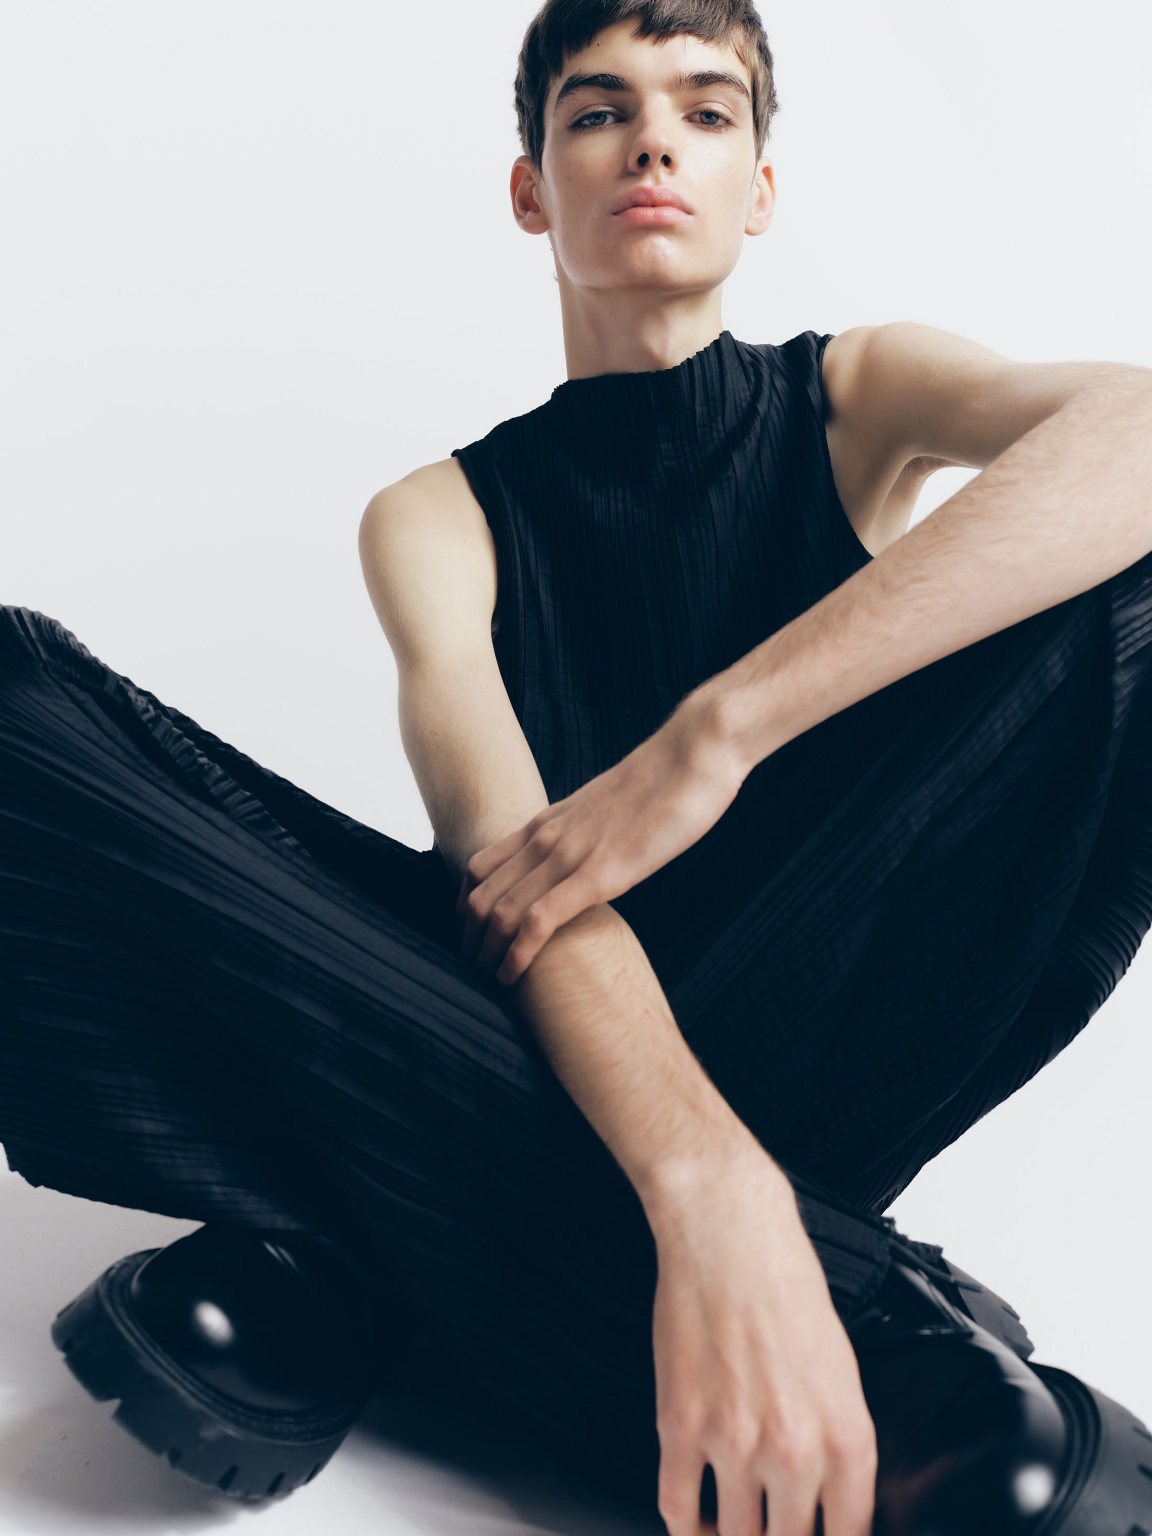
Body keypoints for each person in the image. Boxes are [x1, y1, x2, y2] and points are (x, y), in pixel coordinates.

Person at [3, 1, 1152, 1532]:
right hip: (548, 1010)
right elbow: (519, 889)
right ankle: (838, 1291)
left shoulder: (861, 390)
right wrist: (711, 1193)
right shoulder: (435, 517)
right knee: (17, 700)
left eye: (707, 110)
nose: (654, 142)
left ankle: (348, 1252)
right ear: (533, 188)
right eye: (600, 112)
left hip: (824, 1004)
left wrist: (716, 736)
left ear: (760, 186)